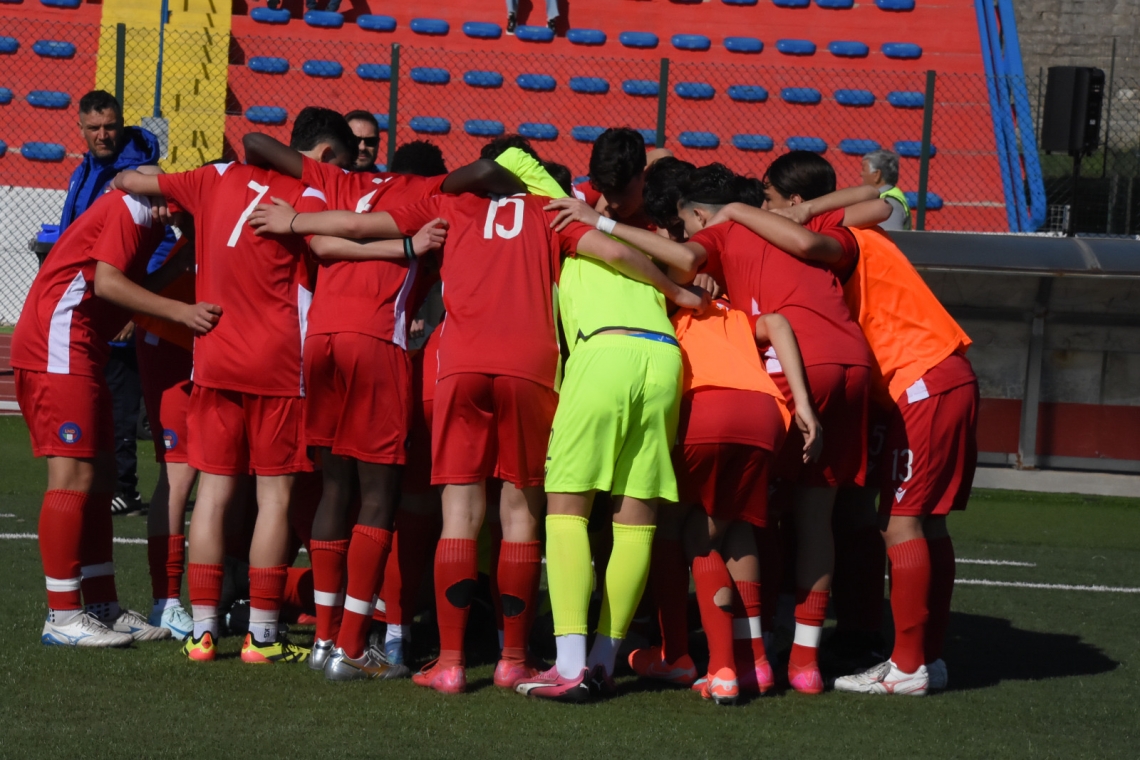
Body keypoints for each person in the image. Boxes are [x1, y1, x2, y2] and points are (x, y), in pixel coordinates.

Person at [248, 148, 703, 696]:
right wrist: (676, 291)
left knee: (458, 512)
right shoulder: (547, 210)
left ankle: (451, 663)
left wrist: (294, 222)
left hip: (458, 365)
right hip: (530, 369)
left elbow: (359, 226)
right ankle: (513, 660)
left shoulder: (450, 203)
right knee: (520, 512)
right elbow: (612, 252)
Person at [112, 107, 356, 666]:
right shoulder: (310, 193)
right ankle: (262, 636)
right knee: (275, 497)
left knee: (214, 495)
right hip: (277, 365)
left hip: (214, 358)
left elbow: (130, 179)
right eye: (335, 163)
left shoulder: (213, 177)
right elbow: (334, 244)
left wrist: (143, 190)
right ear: (318, 156)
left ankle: (201, 634)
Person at [724, 170, 976, 695]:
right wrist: (797, 210)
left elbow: (829, 230)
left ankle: (908, 667)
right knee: (924, 524)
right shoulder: (857, 226)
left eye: (773, 203)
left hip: (921, 378)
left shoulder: (841, 239)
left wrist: (742, 212)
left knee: (899, 524)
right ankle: (927, 656)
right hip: (940, 374)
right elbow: (882, 198)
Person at [505, 156, 706, 703]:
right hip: (664, 359)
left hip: (604, 351)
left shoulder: (563, 219)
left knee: (566, 509)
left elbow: (512, 158)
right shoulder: (652, 239)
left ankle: (568, 667)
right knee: (636, 518)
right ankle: (602, 662)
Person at [670, 163, 874, 695]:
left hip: (796, 361)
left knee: (737, 515)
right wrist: (800, 210)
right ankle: (804, 663)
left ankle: (751, 654)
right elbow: (880, 198)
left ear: (698, 214)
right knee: (815, 517)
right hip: (853, 361)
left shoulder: (721, 229)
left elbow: (685, 259)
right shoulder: (809, 228)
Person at [11, 184, 220, 648]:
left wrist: (175, 269)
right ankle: (62, 615)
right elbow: (106, 283)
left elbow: (121, 287)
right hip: (59, 345)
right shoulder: (134, 209)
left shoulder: (146, 216)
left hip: (81, 347)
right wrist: (182, 312)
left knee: (102, 476)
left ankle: (101, 605)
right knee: (73, 477)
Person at [62, 90, 167, 518]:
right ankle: (105, 481)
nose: (103, 134)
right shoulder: (85, 170)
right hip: (89, 308)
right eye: (94, 128)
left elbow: (160, 244)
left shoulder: (139, 174)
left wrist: (136, 308)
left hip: (118, 308)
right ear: (82, 129)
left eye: (110, 126)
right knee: (96, 397)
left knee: (122, 401)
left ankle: (124, 487)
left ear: (121, 124)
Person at [860, 149, 911, 231]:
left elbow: (889, 238)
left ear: (877, 175)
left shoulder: (889, 203)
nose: (861, 174)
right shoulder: (883, 198)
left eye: (864, 169)